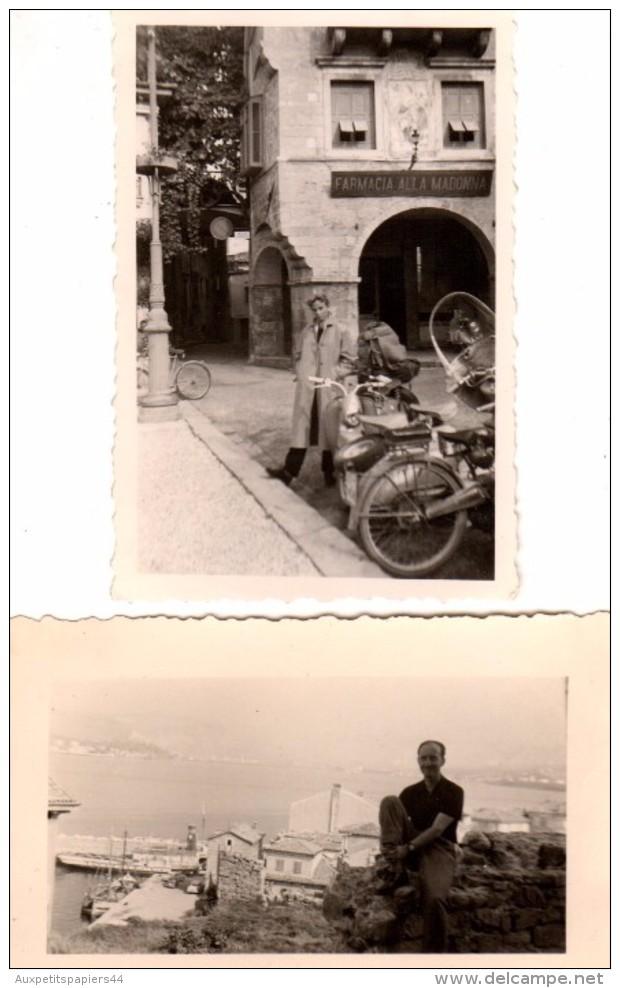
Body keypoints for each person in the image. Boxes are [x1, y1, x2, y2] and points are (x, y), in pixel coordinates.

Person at [377, 740, 464, 953]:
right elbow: (397, 822)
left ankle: (433, 960)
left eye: (433, 757)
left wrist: (408, 849)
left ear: (442, 760)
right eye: (423, 758)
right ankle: (393, 864)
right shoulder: (409, 792)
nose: (428, 762)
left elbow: (436, 830)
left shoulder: (453, 791)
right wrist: (399, 848)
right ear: (418, 761)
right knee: (390, 801)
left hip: (438, 848)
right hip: (412, 845)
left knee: (435, 899)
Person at [266, 293, 357, 487]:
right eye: (314, 309)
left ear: (328, 307)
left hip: (328, 388)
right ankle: (288, 472)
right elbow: (298, 354)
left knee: (328, 431)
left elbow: (349, 362)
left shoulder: (341, 330)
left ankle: (329, 475)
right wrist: (301, 372)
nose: (318, 312)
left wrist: (334, 374)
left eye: (321, 308)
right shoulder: (307, 330)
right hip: (308, 389)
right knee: (302, 430)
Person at [357, 315, 420, 384]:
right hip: (394, 365)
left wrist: (362, 372)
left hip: (382, 368)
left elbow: (364, 358)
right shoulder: (389, 332)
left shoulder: (366, 338)